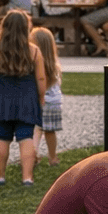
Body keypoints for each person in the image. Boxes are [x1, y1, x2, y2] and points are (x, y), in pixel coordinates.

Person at [0, 10, 46, 186]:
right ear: (26, 29)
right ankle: (27, 177)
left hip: (3, 97)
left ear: (4, 27)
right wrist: (41, 97)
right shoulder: (34, 51)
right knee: (25, 137)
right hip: (27, 98)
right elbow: (41, 78)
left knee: (2, 137)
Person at [30, 26, 63, 168]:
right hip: (53, 102)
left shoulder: (35, 63)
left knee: (36, 129)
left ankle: (33, 154)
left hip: (41, 100)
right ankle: (52, 157)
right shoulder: (54, 64)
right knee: (50, 131)